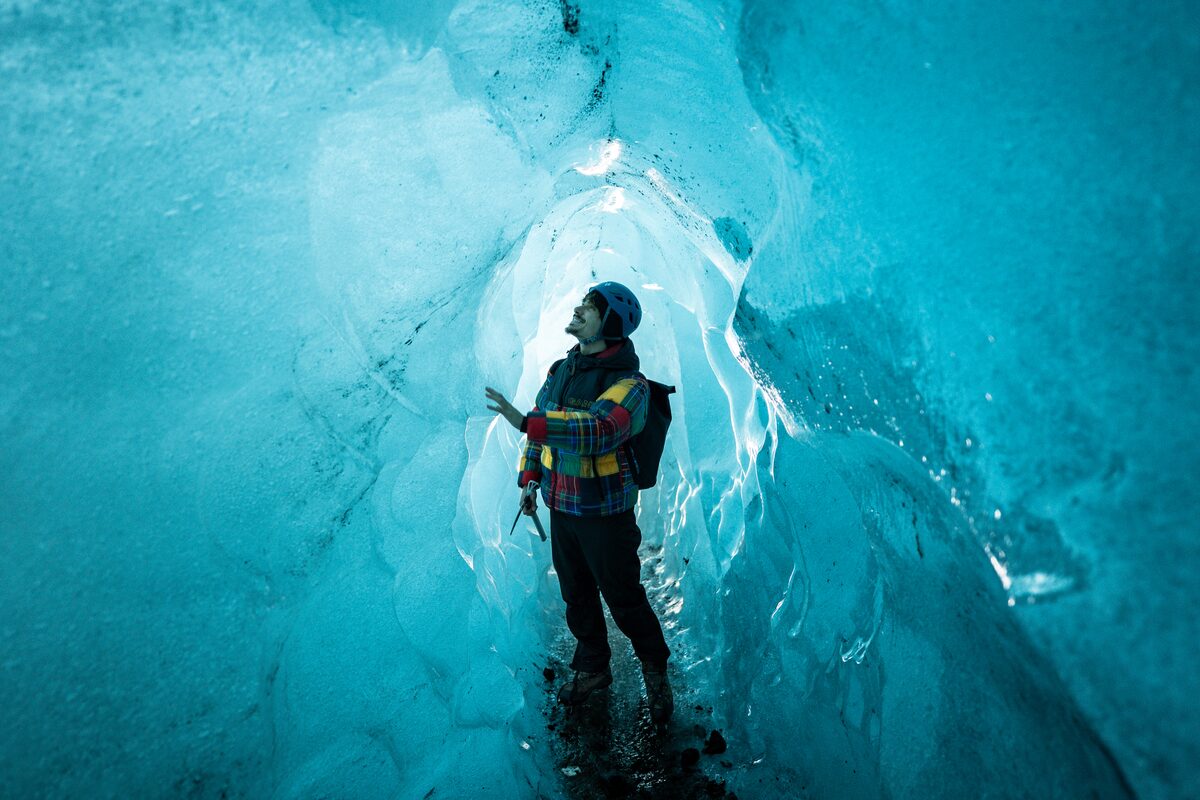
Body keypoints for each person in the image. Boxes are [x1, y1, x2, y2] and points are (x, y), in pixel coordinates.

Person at [484, 282, 673, 724]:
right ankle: (593, 668)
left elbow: (599, 430)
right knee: (577, 594)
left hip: (605, 515)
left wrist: (524, 422)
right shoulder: (561, 370)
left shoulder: (632, 387)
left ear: (608, 324)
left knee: (624, 597)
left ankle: (654, 669)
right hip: (562, 508)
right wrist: (530, 478)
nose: (578, 309)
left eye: (589, 307)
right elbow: (541, 424)